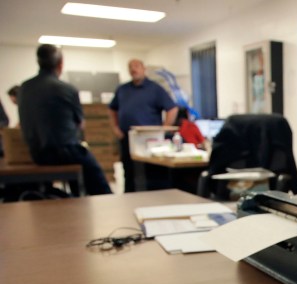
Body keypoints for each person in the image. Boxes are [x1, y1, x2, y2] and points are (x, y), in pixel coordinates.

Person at [17, 44, 112, 195]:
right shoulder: (66, 88)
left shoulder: (24, 88)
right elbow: (81, 124)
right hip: (64, 152)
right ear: (60, 64)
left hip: (36, 154)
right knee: (98, 181)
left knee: (76, 178)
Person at [109, 59, 178, 192]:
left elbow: (172, 109)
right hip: (127, 137)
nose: (133, 69)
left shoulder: (155, 89)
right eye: (130, 67)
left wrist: (164, 129)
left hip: (149, 139)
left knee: (151, 173)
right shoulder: (122, 89)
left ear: (143, 68)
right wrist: (115, 127)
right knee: (129, 172)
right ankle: (129, 198)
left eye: (136, 66)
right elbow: (112, 109)